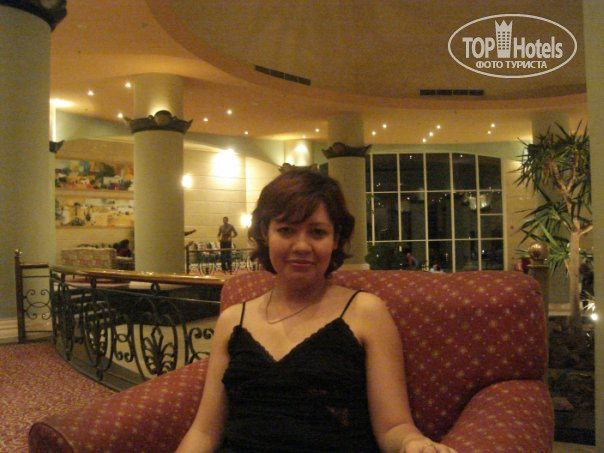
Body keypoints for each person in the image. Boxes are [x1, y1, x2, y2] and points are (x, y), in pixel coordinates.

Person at [177, 169, 456, 453]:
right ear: (265, 234)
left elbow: (394, 427)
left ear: (335, 239)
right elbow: (204, 432)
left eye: (317, 232)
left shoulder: (365, 312)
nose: (301, 246)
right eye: (286, 230)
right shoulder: (233, 319)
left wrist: (414, 443)